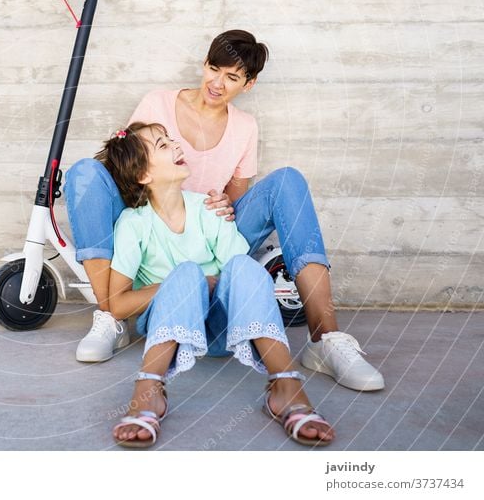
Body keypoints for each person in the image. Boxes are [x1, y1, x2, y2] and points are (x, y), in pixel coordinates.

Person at [64, 30, 384, 392]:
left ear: (249, 84)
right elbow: (131, 166)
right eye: (213, 69)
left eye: (232, 77)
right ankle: (111, 315)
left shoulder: (245, 127)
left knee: (287, 182)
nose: (217, 83)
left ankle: (326, 341)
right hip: (156, 223)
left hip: (211, 233)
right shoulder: (157, 105)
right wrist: (156, 213)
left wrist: (218, 205)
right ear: (204, 65)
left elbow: (234, 200)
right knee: (85, 173)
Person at [99, 122, 334, 447]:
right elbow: (118, 303)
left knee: (244, 266)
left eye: (170, 138)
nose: (175, 145)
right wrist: (186, 283)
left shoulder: (207, 209)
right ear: (143, 176)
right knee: (185, 274)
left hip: (225, 331)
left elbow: (242, 278)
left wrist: (211, 284)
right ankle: (149, 390)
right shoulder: (133, 224)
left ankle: (285, 385)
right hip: (168, 328)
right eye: (162, 145)